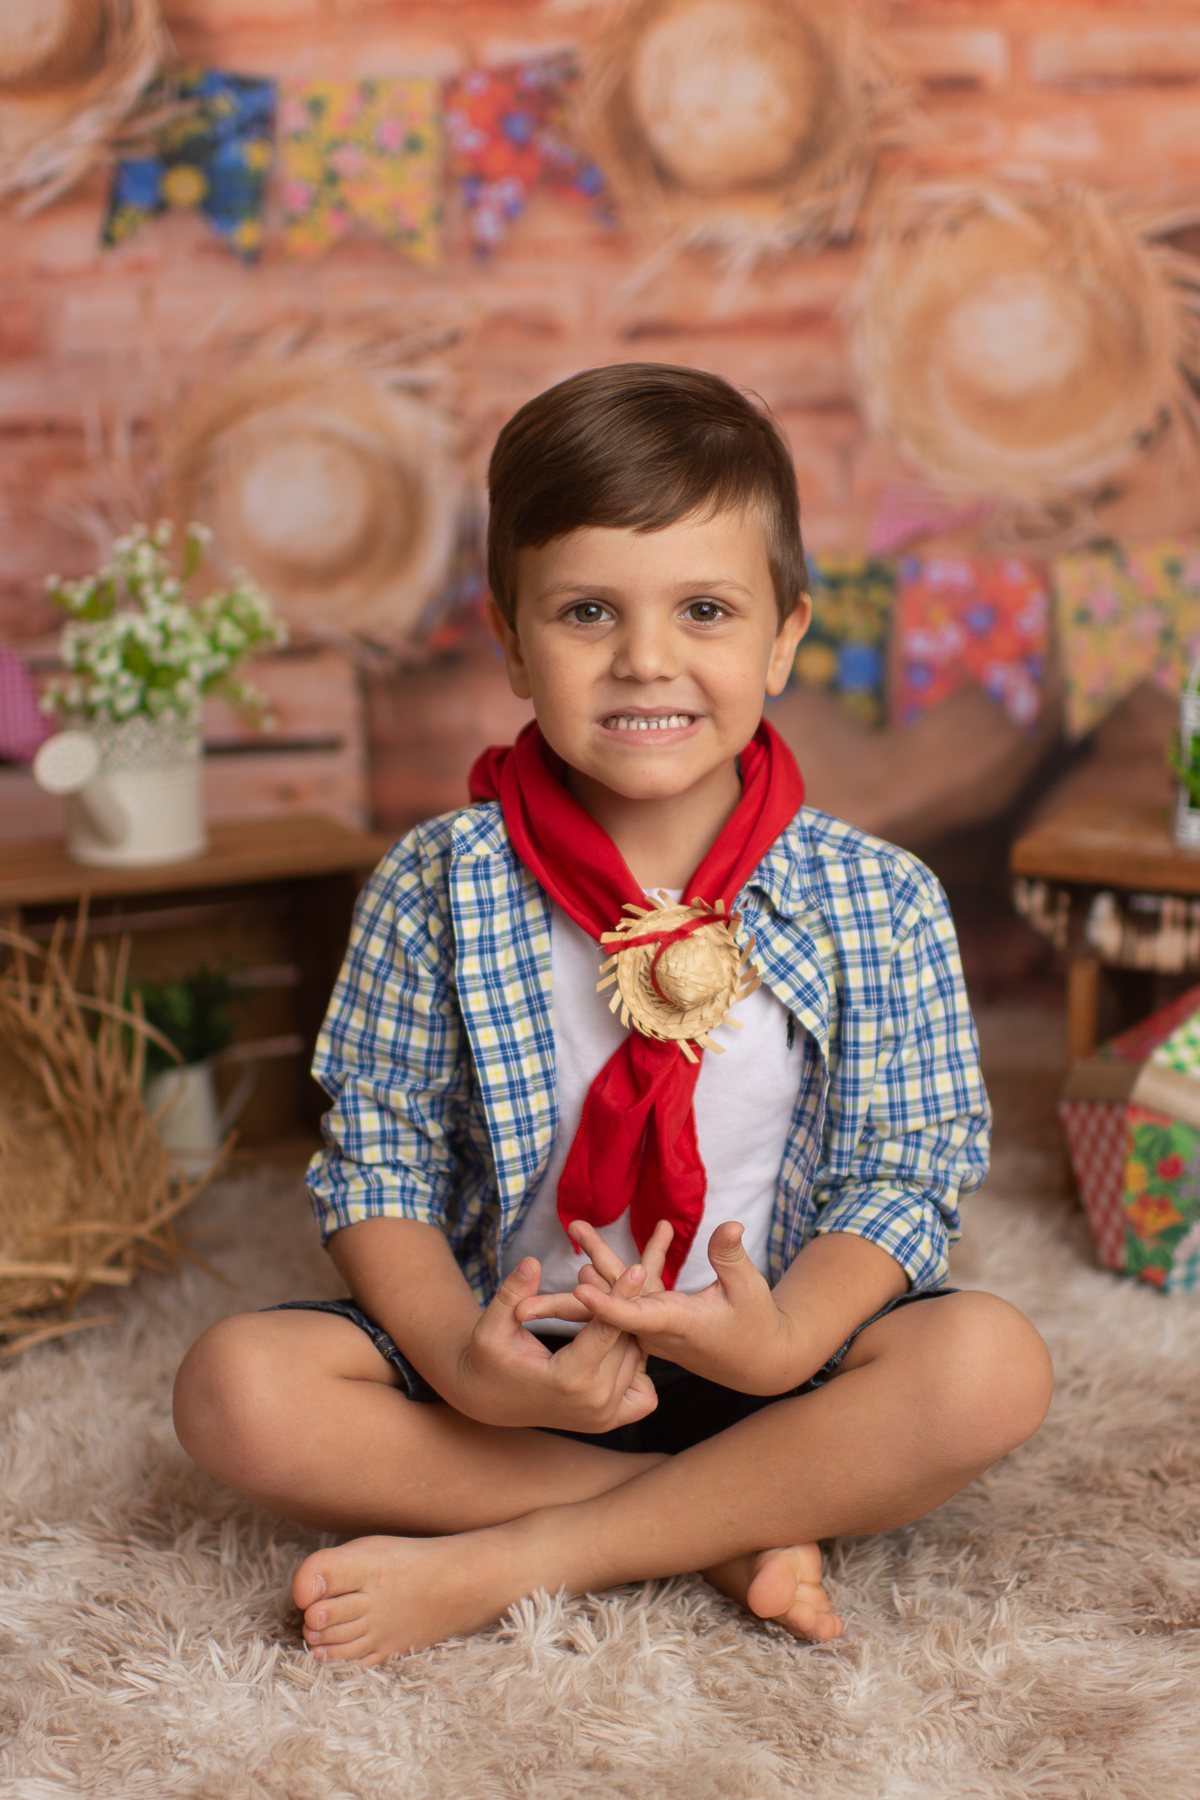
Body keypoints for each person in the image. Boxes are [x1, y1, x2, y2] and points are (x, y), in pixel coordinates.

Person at [173, 364, 1053, 1668]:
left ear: (784, 638)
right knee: (234, 1391)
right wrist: (464, 1366)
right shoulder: (438, 885)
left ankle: (525, 1555)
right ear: (512, 641)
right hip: (523, 1370)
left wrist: (790, 1340)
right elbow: (383, 1161)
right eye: (589, 611)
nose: (647, 659)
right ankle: (727, 1519)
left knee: (992, 1364)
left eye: (705, 609)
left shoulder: (878, 898)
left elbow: (904, 1166)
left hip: (775, 1364)